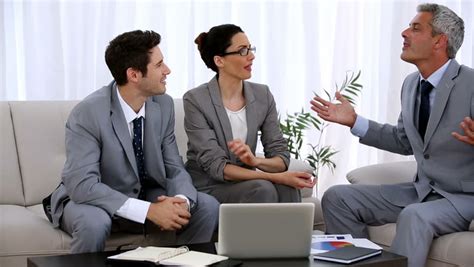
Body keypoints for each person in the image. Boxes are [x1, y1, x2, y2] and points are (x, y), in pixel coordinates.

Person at [311, 4, 474, 267]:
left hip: (464, 197)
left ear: (439, 41)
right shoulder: (411, 84)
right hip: (423, 191)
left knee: (415, 216)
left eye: (415, 28)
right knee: (338, 197)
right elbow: (403, 141)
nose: (404, 32)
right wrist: (355, 121)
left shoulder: (471, 83)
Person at [46, 30, 219, 253]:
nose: (167, 71)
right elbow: (83, 185)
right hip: (91, 199)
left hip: (144, 194)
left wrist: (181, 202)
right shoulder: (88, 113)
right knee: (94, 223)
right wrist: (148, 211)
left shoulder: (163, 105)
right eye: (159, 65)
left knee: (206, 206)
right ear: (134, 75)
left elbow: (174, 168)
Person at [183, 24, 315, 204]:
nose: (251, 56)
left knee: (288, 186)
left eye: (250, 49)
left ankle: (291, 234)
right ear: (219, 61)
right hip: (210, 184)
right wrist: (277, 177)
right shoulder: (196, 100)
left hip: (246, 180)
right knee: (263, 187)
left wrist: (255, 161)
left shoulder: (263, 95)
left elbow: (281, 157)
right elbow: (217, 167)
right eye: (242, 51)